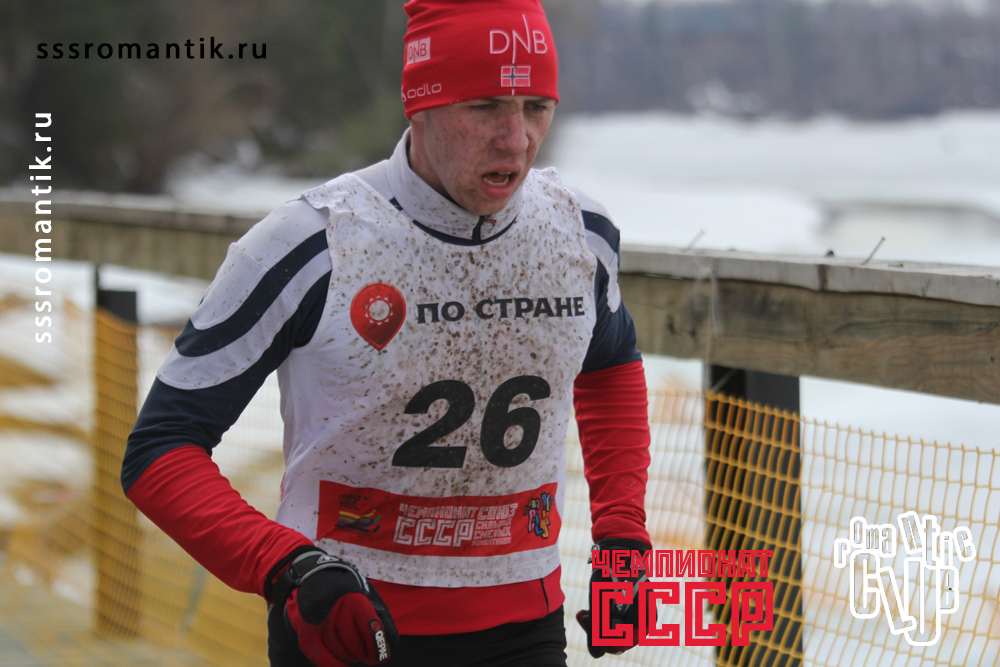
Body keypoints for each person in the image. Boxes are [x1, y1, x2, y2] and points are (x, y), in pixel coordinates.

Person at [122, 0, 653, 665]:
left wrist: (623, 536)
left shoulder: (579, 233)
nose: (516, 139)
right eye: (485, 106)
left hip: (525, 627)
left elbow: (610, 364)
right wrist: (287, 567)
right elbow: (160, 449)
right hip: (347, 626)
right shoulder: (312, 241)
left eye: (536, 107)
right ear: (420, 102)